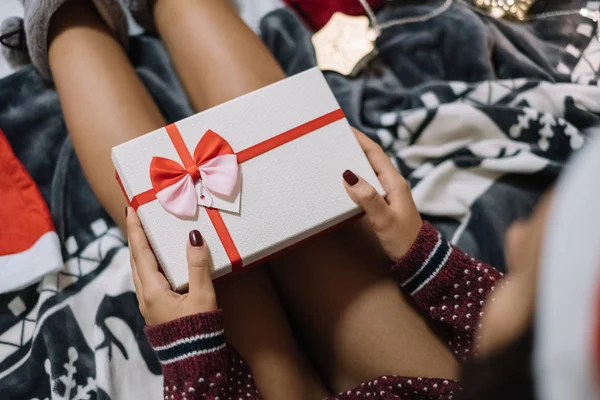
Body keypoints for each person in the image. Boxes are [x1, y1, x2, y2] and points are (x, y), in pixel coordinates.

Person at [2, 0, 578, 399]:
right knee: (296, 181)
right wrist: (423, 254)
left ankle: (63, 20)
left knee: (188, 253)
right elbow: (507, 341)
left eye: (525, 269)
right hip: (426, 386)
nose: (515, 237)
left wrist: (192, 349)